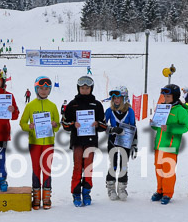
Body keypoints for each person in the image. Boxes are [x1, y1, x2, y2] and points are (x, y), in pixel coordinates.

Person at [61, 75, 107, 207]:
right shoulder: (72, 104)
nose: (85, 90)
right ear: (78, 88)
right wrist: (72, 124)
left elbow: (104, 126)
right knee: (77, 167)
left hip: (90, 141)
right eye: (82, 88)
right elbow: (64, 124)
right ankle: (76, 193)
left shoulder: (97, 105)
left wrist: (97, 124)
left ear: (91, 89)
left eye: (87, 88)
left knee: (88, 167)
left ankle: (86, 192)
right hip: (77, 141)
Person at [19, 76, 60, 210]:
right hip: (34, 143)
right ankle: (36, 197)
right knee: (36, 168)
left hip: (49, 142)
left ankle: (46, 196)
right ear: (36, 89)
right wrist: (28, 127)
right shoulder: (30, 105)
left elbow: (58, 126)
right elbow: (22, 123)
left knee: (46, 169)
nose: (44, 91)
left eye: (47, 89)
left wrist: (55, 124)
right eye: (41, 88)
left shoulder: (52, 106)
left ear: (49, 91)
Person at [150, 84, 188, 205]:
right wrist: (154, 124)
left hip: (170, 145)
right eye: (164, 96)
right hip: (159, 144)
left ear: (175, 96)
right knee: (159, 169)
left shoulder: (180, 110)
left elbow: (185, 127)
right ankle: (160, 190)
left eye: (168, 96)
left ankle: (167, 193)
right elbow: (158, 127)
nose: (165, 98)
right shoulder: (162, 107)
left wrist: (170, 127)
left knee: (168, 170)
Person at [105, 88, 138, 201]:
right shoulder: (110, 111)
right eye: (114, 98)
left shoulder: (130, 111)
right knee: (113, 165)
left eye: (118, 97)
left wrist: (134, 144)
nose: (116, 100)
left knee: (123, 164)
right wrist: (112, 129)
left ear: (124, 98)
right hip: (112, 141)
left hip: (125, 141)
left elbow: (133, 127)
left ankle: (122, 188)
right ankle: (111, 188)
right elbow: (102, 126)